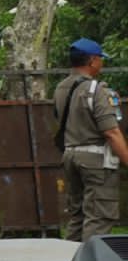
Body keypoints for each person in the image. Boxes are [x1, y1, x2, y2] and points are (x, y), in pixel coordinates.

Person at [54, 38, 126, 242]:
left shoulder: (61, 87)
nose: (102, 64)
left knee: (78, 216)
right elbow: (111, 132)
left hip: (70, 155)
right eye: (101, 59)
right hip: (96, 161)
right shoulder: (98, 90)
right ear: (92, 61)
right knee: (99, 217)